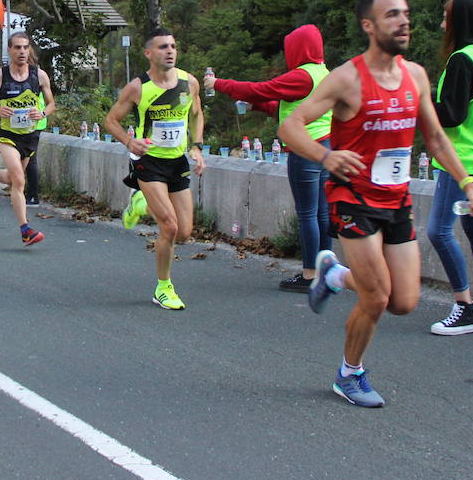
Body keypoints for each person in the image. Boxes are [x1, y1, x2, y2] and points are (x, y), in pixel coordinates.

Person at [279, 0, 473, 408]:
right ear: (369, 26)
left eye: (407, 14)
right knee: (376, 297)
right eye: (392, 15)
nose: (404, 22)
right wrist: (326, 155)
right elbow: (292, 127)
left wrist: (468, 183)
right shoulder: (347, 79)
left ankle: (334, 275)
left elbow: (433, 137)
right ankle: (350, 374)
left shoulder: (415, 75)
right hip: (352, 196)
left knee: (403, 302)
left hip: (396, 200)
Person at [204, 24, 333, 293]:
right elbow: (288, 107)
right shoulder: (323, 73)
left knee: (307, 214)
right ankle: (326, 270)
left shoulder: (302, 76)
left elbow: (261, 89)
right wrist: (259, 105)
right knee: (321, 213)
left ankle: (310, 275)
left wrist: (218, 84)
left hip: (303, 149)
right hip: (325, 147)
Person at [103, 28, 205, 310]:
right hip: (149, 162)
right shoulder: (138, 87)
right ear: (149, 53)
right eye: (162, 47)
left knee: (184, 232)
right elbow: (110, 120)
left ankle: (140, 203)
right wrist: (128, 141)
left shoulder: (189, 82)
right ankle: (163, 287)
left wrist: (196, 145)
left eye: (173, 46)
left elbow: (196, 113)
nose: (170, 51)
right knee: (169, 227)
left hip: (177, 162)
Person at [427, 0, 473, 335]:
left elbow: (452, 117)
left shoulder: (460, 60)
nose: (443, 24)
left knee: (438, 231)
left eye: (446, 17)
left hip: (459, 161)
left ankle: (463, 306)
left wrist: (421, 99)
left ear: (459, 22)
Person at [0, 31, 57, 246]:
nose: (21, 51)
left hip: (29, 136)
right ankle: (25, 230)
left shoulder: (39, 75)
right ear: (9, 50)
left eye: (25, 47)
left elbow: (51, 104)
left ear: (29, 50)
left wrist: (43, 113)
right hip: (7, 136)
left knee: (12, 178)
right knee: (19, 180)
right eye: (17, 47)